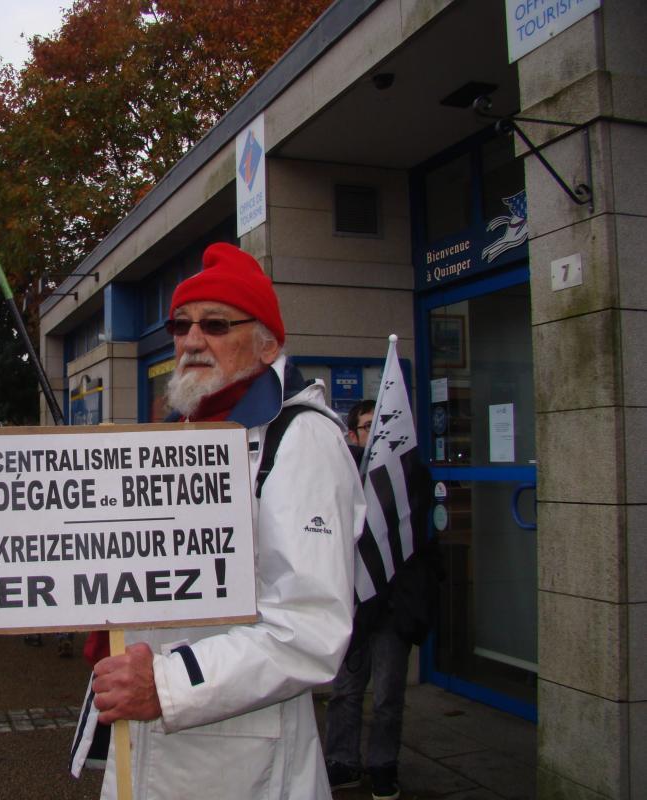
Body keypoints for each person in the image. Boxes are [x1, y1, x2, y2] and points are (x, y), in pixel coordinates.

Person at [75, 243, 366, 799]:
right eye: (180, 325)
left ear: (267, 343)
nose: (189, 341)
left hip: (240, 764)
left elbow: (311, 630)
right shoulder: (184, 433)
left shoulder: (301, 439)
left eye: (213, 324)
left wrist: (164, 683)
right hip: (149, 742)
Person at [324, 399, 436, 800]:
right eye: (369, 427)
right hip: (354, 604)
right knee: (345, 691)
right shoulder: (345, 475)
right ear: (353, 435)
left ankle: (383, 765)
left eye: (383, 427)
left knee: (389, 694)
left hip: (393, 607)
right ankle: (342, 760)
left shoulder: (412, 479)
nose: (377, 435)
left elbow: (425, 546)